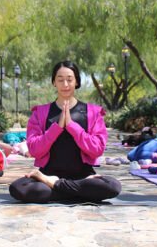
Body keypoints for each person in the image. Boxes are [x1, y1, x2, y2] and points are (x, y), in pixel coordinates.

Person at [9, 60, 122, 203]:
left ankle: (56, 186)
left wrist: (71, 125)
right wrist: (57, 127)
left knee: (112, 186)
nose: (65, 84)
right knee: (18, 188)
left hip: (83, 176)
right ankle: (77, 192)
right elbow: (35, 150)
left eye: (70, 79)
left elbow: (97, 149)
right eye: (60, 80)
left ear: (77, 82)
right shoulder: (40, 112)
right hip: (48, 175)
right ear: (54, 82)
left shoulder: (93, 112)